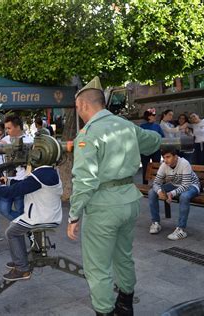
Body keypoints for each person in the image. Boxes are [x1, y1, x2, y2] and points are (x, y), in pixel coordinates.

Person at [67, 76, 161, 316]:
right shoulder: (125, 124)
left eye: (77, 108)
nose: (78, 113)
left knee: (97, 267)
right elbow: (153, 143)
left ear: (84, 106)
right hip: (129, 199)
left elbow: (85, 180)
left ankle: (105, 311)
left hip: (103, 206)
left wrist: (74, 215)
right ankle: (125, 305)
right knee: (124, 256)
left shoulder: (88, 134)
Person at [0, 161, 63, 281]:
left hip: (42, 216)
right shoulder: (48, 172)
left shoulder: (40, 175)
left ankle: (22, 268)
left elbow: (13, 192)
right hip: (48, 214)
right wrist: (9, 181)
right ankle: (21, 259)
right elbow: (25, 185)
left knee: (11, 232)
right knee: (14, 224)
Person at [148, 148, 200, 240]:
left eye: (168, 157)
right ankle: (155, 223)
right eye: (164, 157)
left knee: (184, 196)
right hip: (174, 185)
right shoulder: (164, 165)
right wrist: (160, 191)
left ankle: (181, 229)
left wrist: (171, 194)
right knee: (152, 192)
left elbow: (185, 185)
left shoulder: (184, 163)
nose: (165, 160)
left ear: (175, 157)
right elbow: (156, 183)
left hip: (192, 186)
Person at [0, 115, 34, 220]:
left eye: (9, 128)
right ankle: (24, 226)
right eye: (6, 128)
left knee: (20, 209)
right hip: (6, 182)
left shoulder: (29, 141)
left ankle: (21, 229)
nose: (7, 131)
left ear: (18, 127)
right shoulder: (5, 139)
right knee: (4, 210)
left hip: (20, 182)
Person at [140, 108, 164, 184]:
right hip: (145, 151)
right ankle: (145, 184)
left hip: (156, 150)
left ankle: (157, 184)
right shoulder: (142, 126)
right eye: (153, 115)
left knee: (156, 167)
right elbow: (140, 138)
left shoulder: (157, 126)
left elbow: (162, 137)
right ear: (148, 116)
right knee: (145, 168)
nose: (155, 116)